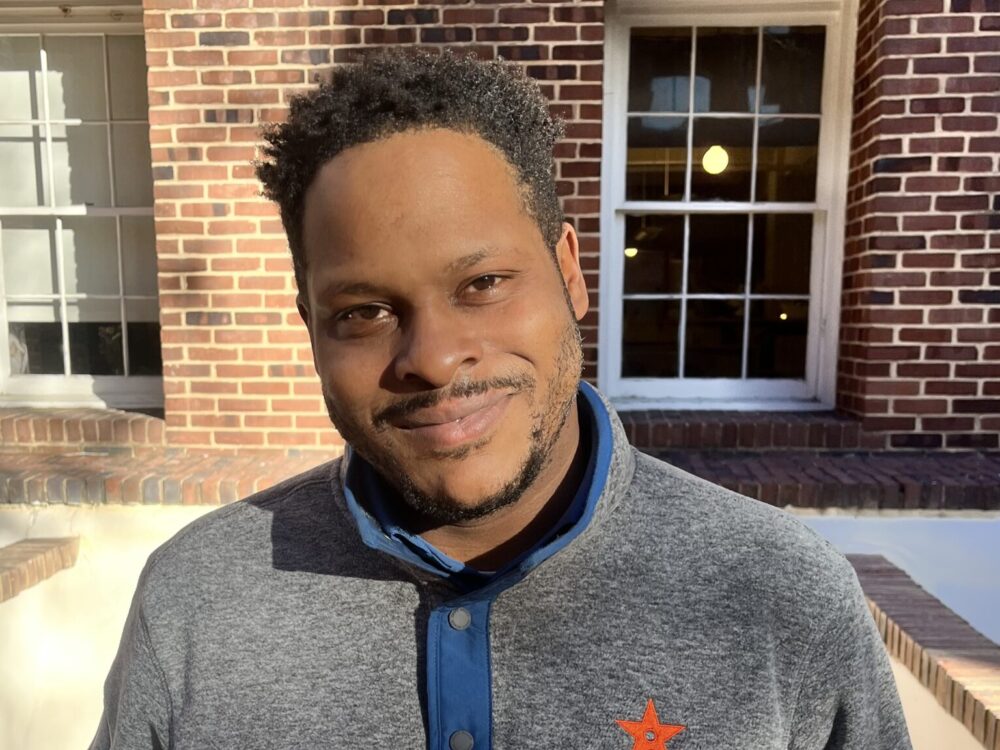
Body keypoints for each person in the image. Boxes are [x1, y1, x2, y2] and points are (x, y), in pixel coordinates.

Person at [91, 51, 911, 750]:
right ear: (311, 327)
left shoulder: (782, 596)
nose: (433, 358)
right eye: (364, 312)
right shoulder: (198, 600)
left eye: (483, 283)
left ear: (569, 271)